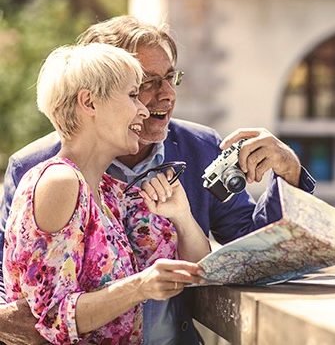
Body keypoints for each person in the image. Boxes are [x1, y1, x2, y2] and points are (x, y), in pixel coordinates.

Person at [0, 16, 315, 344]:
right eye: (142, 86)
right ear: (92, 98)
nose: (166, 95)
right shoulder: (41, 169)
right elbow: (19, 285)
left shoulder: (196, 150)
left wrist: (288, 172)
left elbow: (253, 254)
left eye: (169, 77)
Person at [2, 42, 209, 344]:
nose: (142, 109)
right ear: (89, 103)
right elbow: (48, 320)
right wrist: (140, 287)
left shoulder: (108, 191)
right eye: (132, 95)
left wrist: (182, 216)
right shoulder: (59, 182)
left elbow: (198, 268)